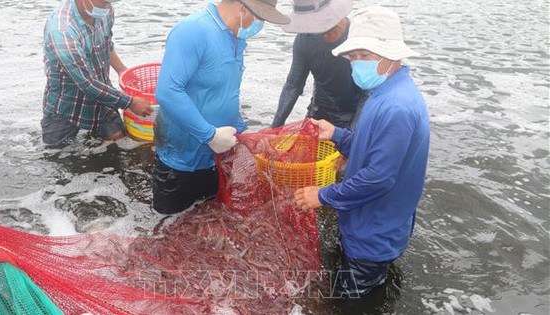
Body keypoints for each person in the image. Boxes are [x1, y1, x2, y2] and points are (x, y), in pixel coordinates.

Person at [294, 6, 430, 298]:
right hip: (372, 222)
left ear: (391, 54)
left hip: (373, 236)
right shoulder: (384, 92)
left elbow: (378, 178)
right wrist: (338, 135)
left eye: (365, 56)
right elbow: (372, 148)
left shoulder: (396, 107)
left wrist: (322, 195)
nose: (357, 63)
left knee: (348, 302)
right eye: (353, 57)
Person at [153, 0, 289, 215]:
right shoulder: (193, 30)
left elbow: (225, 92)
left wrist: (242, 131)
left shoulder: (235, 38)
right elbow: (167, 92)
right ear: (243, 9)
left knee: (210, 217)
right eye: (260, 17)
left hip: (218, 156)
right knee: (170, 224)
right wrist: (209, 135)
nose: (261, 25)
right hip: (181, 158)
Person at [41, 0, 154, 148]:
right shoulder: (62, 31)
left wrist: (121, 69)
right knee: (56, 155)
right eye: (102, 3)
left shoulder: (105, 10)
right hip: (67, 105)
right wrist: (130, 102)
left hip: (103, 97)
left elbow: (106, 43)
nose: (107, 8)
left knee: (116, 141)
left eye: (109, 3)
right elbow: (87, 83)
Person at [271, 0, 361, 129]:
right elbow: (293, 85)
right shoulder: (305, 38)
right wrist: (275, 127)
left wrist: (353, 132)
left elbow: (368, 93)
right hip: (318, 113)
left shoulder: (357, 38)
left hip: (353, 114)